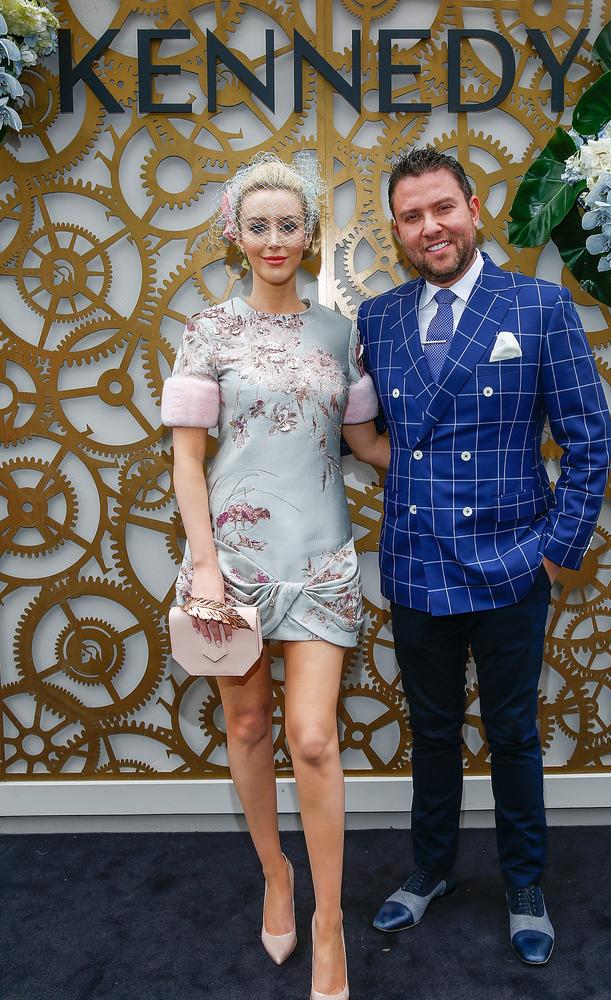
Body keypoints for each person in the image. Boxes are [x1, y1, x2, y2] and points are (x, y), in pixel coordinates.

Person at [357, 146, 611, 964]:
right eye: (411, 216)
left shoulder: (539, 307)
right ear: (396, 231)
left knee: (513, 735)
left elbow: (589, 440)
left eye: (442, 208)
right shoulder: (380, 317)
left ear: (473, 208)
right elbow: (381, 437)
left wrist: (553, 552)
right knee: (430, 733)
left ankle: (525, 881)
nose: (430, 227)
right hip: (416, 564)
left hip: (513, 564)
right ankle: (429, 869)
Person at [161, 153, 388, 1000]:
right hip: (235, 565)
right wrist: (207, 567)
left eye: (288, 224)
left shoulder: (339, 332)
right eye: (257, 225)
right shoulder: (206, 330)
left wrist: (462, 473)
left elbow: (364, 444)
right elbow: (189, 463)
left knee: (315, 739)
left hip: (323, 558)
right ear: (235, 233)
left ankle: (330, 923)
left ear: (310, 233)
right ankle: (275, 874)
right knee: (250, 729)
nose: (273, 240)